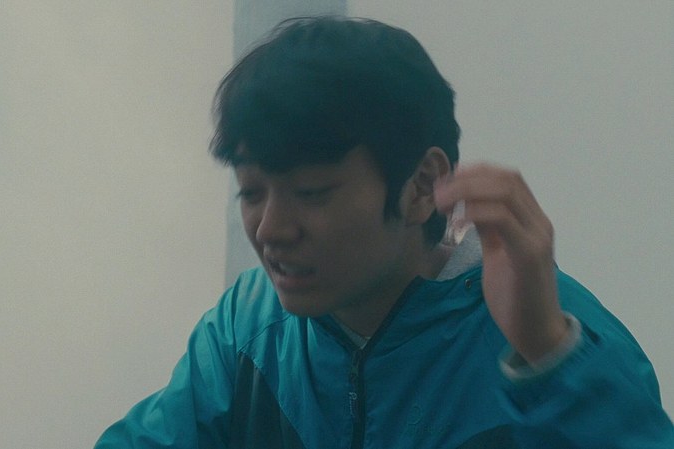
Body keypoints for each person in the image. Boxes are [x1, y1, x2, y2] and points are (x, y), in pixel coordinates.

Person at [95, 16, 674, 448]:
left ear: (422, 185)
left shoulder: (551, 331)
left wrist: (547, 354)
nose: (270, 229)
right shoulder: (247, 331)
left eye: (312, 193)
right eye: (251, 192)